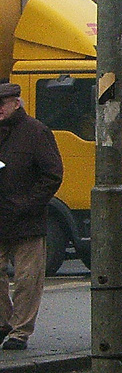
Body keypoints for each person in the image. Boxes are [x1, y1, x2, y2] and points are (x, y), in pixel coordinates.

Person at [0, 82, 63, 351]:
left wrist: (29, 204)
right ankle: (3, 322)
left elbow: (52, 174)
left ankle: (20, 331)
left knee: (27, 279)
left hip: (27, 219)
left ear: (17, 103)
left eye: (2, 104)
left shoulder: (36, 132)